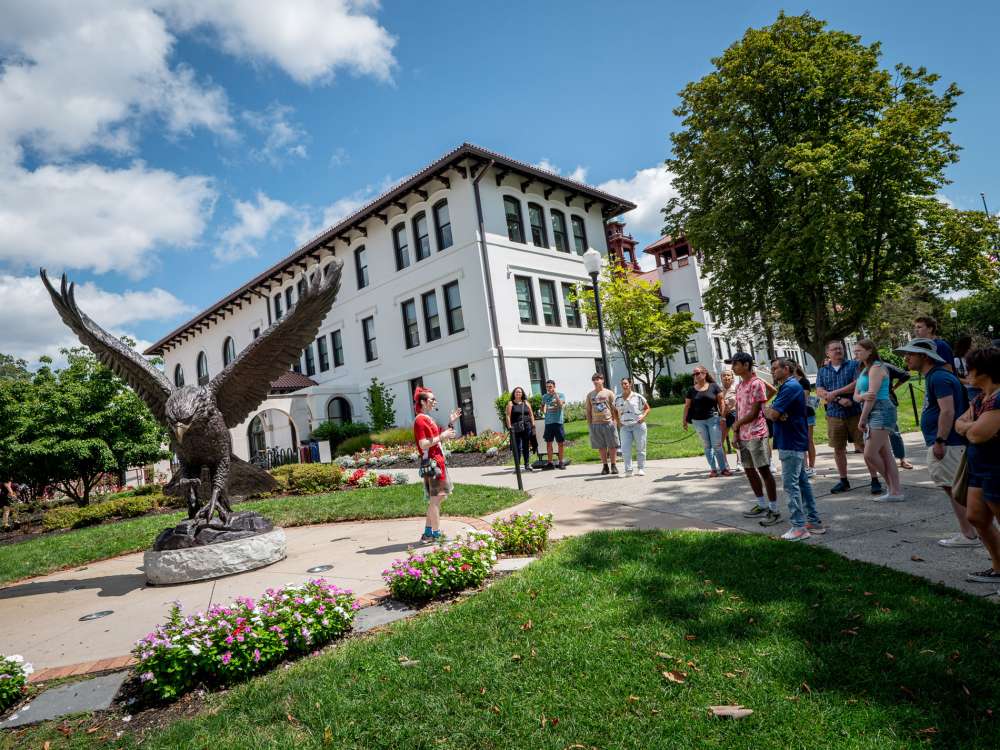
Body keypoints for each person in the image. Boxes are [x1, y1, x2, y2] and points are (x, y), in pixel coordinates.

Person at [895, 338, 979, 548]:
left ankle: (969, 535)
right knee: (954, 489)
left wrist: (940, 440)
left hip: (949, 443)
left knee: (954, 489)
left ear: (924, 357)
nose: (906, 358)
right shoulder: (936, 376)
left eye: (910, 354)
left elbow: (948, 411)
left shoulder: (939, 377)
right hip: (948, 442)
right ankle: (972, 532)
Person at [955, 347, 1000, 585]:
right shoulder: (981, 398)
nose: (966, 372)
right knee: (976, 516)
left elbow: (977, 435)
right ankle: (998, 568)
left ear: (985, 370)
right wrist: (970, 426)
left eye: (970, 368)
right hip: (978, 469)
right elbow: (959, 423)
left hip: (996, 469)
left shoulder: (999, 398)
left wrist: (970, 427)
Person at [766, 358, 824, 540]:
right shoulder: (788, 386)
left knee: (791, 485)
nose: (772, 371)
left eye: (775, 368)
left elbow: (772, 414)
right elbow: (776, 413)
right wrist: (775, 412)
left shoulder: (790, 387)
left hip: (790, 440)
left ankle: (799, 527)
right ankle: (813, 521)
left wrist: (770, 410)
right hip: (793, 439)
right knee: (802, 483)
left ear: (787, 369)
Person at [815, 340, 881, 495]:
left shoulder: (854, 365)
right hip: (834, 414)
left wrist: (835, 393)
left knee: (864, 447)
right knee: (838, 449)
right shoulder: (823, 371)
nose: (838, 351)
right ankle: (843, 480)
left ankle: (874, 479)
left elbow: (856, 384)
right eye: (834, 349)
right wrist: (838, 399)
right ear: (827, 353)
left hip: (855, 412)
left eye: (840, 348)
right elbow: (819, 390)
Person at [727, 352, 780, 524]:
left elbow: (755, 412)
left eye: (735, 364)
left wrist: (737, 424)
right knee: (749, 470)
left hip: (757, 433)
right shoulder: (739, 386)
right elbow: (739, 410)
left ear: (746, 365)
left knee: (764, 470)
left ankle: (774, 509)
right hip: (743, 435)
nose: (733, 368)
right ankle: (762, 504)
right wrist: (736, 432)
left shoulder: (757, 383)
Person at [853, 339, 904, 501]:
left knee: (869, 454)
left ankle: (893, 488)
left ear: (870, 351)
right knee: (885, 453)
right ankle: (894, 491)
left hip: (881, 411)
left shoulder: (876, 368)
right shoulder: (864, 369)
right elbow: (856, 396)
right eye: (855, 351)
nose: (856, 354)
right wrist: (862, 396)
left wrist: (862, 419)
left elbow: (872, 397)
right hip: (872, 411)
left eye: (859, 351)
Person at [413, 388, 461, 543]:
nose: (435, 402)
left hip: (437, 462)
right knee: (435, 499)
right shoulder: (420, 420)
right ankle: (436, 535)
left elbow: (439, 438)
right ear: (423, 402)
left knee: (438, 499)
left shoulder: (428, 418)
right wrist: (442, 436)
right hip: (432, 464)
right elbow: (423, 444)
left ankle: (428, 533)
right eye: (432, 399)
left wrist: (451, 423)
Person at [682, 365, 731, 477]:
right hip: (698, 422)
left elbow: (721, 402)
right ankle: (713, 469)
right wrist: (684, 420)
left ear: (704, 374)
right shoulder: (691, 390)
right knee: (707, 446)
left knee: (717, 445)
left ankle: (723, 468)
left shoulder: (714, 386)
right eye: (693, 374)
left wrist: (723, 417)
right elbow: (687, 406)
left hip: (713, 419)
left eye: (697, 373)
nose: (695, 376)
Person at [615, 377, 651, 476]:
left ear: (630, 384)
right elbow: (614, 410)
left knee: (641, 448)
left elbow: (647, 408)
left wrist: (643, 416)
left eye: (626, 383)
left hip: (638, 425)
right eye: (622, 384)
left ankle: (641, 468)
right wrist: (618, 422)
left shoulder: (638, 396)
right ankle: (629, 470)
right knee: (625, 449)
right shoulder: (617, 398)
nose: (624, 385)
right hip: (624, 427)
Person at [586, 372, 620, 474]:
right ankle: (605, 466)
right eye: (594, 380)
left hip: (608, 422)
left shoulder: (609, 393)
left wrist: (615, 421)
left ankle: (613, 465)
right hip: (596, 424)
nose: (596, 381)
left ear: (602, 380)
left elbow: (615, 408)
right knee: (601, 446)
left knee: (612, 445)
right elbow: (588, 410)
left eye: (598, 379)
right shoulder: (590, 395)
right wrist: (590, 424)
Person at [883, 360, 914, 470]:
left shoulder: (885, 366)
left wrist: (894, 387)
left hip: (887, 401)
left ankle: (902, 458)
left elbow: (905, 375)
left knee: (893, 431)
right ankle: (884, 460)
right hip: (870, 403)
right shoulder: (861, 368)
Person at [794, 364, 818, 478]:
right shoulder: (788, 382)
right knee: (800, 441)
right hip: (796, 415)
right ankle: (804, 467)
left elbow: (803, 398)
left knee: (808, 440)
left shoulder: (804, 381)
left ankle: (811, 467)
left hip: (807, 414)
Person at [505, 386, 536, 473]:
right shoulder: (511, 403)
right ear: (514, 394)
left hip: (527, 427)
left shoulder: (526, 402)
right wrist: (509, 427)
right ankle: (517, 466)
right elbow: (508, 416)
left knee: (526, 446)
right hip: (516, 428)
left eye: (520, 392)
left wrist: (533, 425)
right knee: (517, 447)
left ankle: (527, 465)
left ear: (522, 394)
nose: (518, 393)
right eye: (516, 392)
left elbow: (531, 414)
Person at [541, 380, 567, 469]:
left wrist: (555, 395)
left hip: (558, 422)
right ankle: (550, 463)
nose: (549, 389)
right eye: (547, 387)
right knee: (549, 443)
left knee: (560, 443)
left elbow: (561, 406)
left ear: (554, 387)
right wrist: (544, 411)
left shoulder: (561, 395)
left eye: (550, 387)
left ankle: (561, 462)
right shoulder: (545, 396)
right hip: (548, 423)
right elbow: (542, 406)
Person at [720, 369, 740, 468]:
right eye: (724, 375)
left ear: (732, 377)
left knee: (737, 440)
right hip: (723, 417)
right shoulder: (718, 390)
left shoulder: (737, 389)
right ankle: (725, 464)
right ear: (721, 378)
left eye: (728, 375)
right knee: (719, 441)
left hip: (735, 415)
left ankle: (739, 462)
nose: (726, 377)